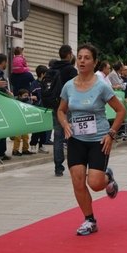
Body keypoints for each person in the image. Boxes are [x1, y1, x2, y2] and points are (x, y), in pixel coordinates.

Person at [57, 43, 126, 235]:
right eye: (79, 57)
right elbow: (61, 111)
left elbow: (121, 111)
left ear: (94, 62)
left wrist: (111, 134)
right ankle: (89, 220)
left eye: (86, 58)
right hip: (76, 139)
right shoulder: (69, 86)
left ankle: (108, 176)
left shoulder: (102, 86)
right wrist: (64, 124)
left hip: (98, 140)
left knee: (95, 184)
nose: (82, 61)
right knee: (78, 181)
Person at [50, 44, 78, 177]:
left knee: (58, 136)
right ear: (68, 55)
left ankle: (58, 168)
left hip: (55, 105)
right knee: (72, 134)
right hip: (68, 106)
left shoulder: (52, 68)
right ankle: (75, 163)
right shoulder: (71, 70)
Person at [29, 65, 50, 154]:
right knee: (36, 128)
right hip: (37, 108)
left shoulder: (46, 84)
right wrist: (32, 97)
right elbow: (30, 94)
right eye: (46, 73)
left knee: (44, 128)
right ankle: (33, 144)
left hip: (45, 109)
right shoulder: (34, 84)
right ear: (42, 74)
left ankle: (41, 145)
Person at [12, 89, 35, 156]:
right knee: (18, 137)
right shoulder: (15, 101)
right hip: (17, 121)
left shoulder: (28, 102)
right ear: (20, 96)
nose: (26, 97)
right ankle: (15, 150)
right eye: (25, 96)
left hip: (25, 121)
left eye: (27, 96)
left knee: (26, 136)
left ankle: (25, 149)